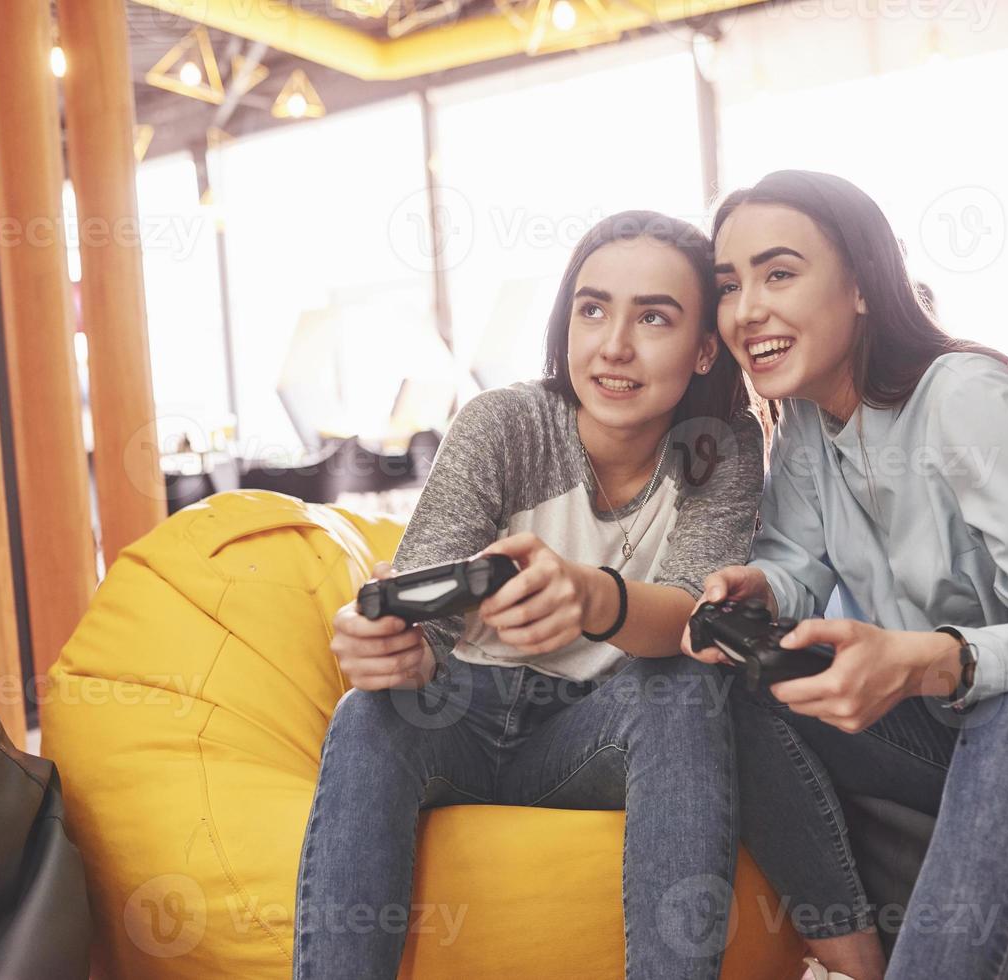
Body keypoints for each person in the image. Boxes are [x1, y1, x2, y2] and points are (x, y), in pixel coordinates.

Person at [687, 170, 1008, 980]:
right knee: (737, 681)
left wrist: (935, 659)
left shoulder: (966, 398)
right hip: (955, 723)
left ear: (862, 286)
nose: (746, 308)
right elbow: (795, 561)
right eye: (730, 284)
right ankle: (848, 959)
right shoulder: (801, 416)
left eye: (779, 273)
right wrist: (761, 590)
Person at [293, 211, 765, 980]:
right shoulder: (504, 426)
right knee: (368, 712)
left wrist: (591, 597)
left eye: (653, 317)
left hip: (596, 731)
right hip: (462, 714)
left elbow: (691, 618)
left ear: (704, 346)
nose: (613, 345)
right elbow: (428, 619)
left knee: (682, 687)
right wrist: (388, 647)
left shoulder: (722, 449)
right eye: (591, 309)